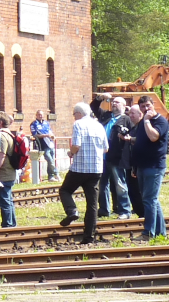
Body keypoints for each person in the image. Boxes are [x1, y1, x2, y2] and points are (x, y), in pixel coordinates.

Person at [59, 102, 109, 243]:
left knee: (65, 190)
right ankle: (89, 237)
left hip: (80, 168)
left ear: (79, 113)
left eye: (74, 114)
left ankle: (72, 211)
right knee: (92, 204)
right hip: (96, 169)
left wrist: (71, 152)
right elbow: (106, 148)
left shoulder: (78, 124)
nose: (74, 117)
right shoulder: (99, 126)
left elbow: (76, 145)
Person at [129, 94, 169, 241]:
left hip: (154, 166)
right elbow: (141, 141)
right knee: (152, 200)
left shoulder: (160, 121)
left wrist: (146, 121)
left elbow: (154, 137)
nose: (146, 109)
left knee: (149, 199)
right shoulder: (141, 124)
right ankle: (161, 233)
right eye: (143, 107)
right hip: (142, 166)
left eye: (148, 106)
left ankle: (148, 233)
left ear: (153, 105)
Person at [100, 97, 132, 220]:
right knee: (102, 184)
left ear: (124, 105)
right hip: (103, 156)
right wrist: (100, 99)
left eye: (117, 102)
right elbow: (94, 108)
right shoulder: (107, 117)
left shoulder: (126, 119)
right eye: (113, 102)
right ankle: (104, 209)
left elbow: (131, 136)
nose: (113, 103)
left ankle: (125, 210)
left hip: (117, 157)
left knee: (120, 184)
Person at [124, 103, 144, 217]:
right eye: (129, 113)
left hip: (139, 164)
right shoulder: (134, 126)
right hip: (132, 163)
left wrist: (131, 139)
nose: (130, 116)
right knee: (132, 190)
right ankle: (139, 212)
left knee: (138, 191)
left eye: (132, 113)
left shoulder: (142, 126)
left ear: (140, 114)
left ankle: (143, 213)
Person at [30, 109, 58, 182]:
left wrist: (52, 136)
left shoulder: (46, 123)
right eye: (39, 114)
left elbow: (50, 131)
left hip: (50, 144)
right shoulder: (34, 124)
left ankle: (51, 176)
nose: (40, 116)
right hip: (42, 145)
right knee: (50, 160)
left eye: (42, 115)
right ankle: (56, 173)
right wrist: (46, 135)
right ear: (36, 115)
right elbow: (35, 135)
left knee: (52, 160)